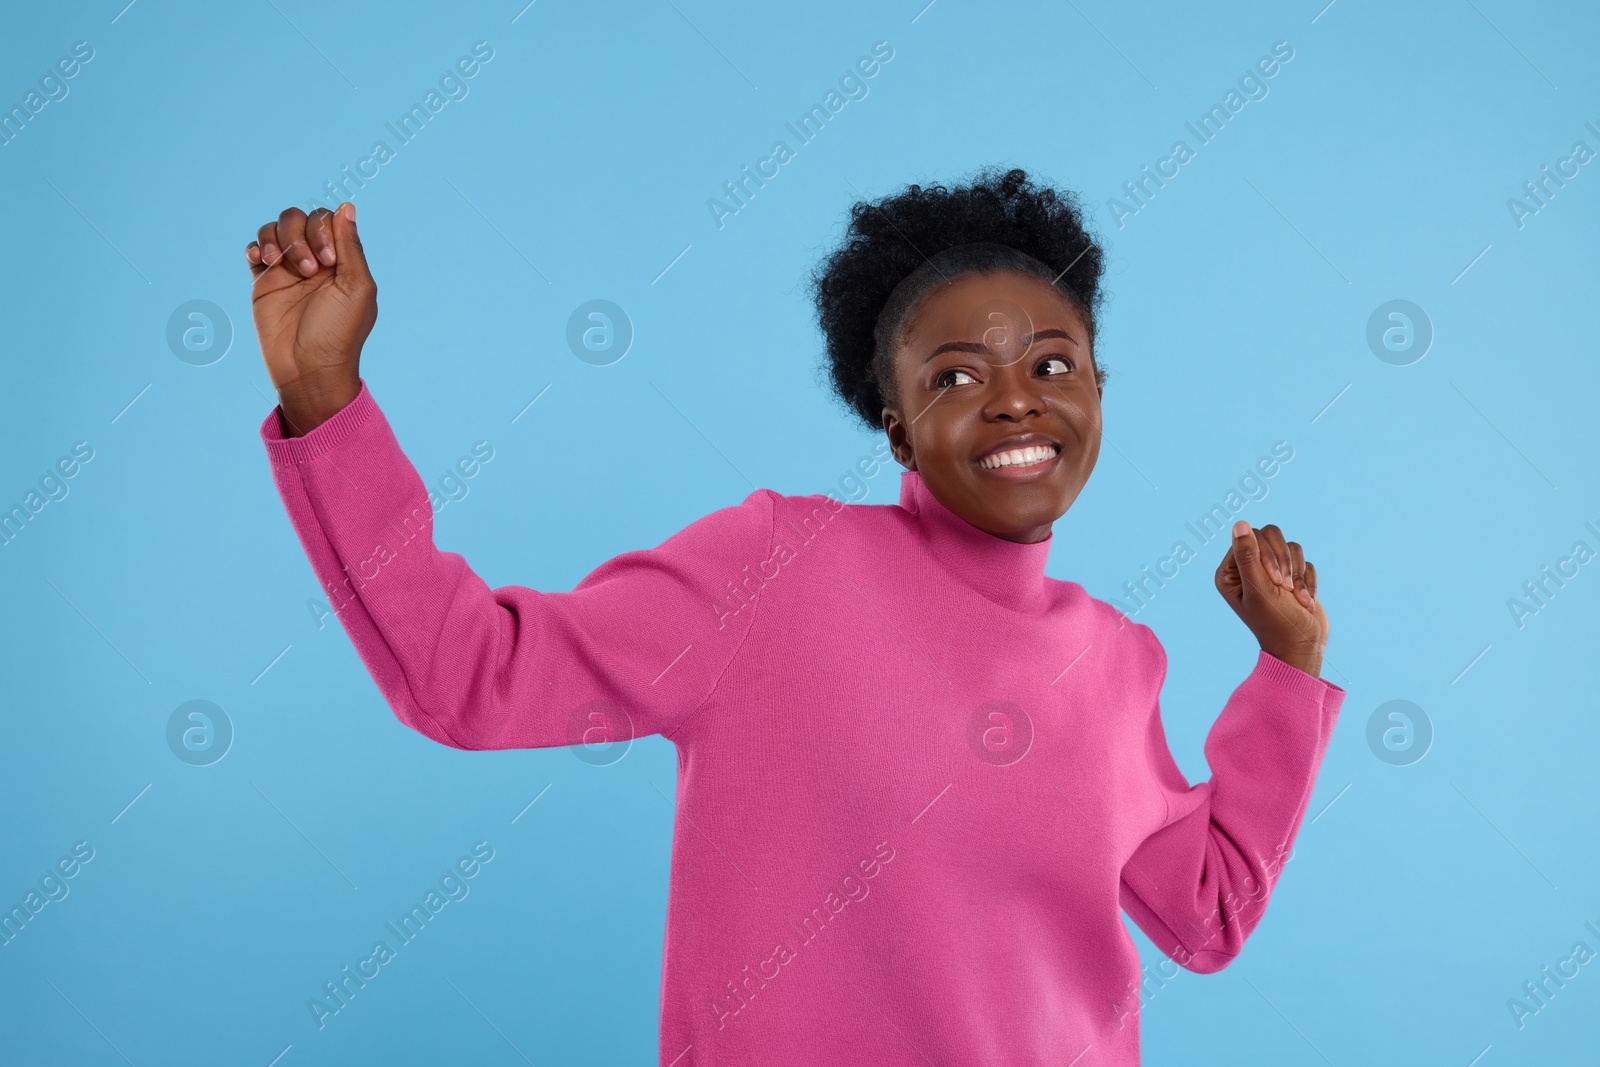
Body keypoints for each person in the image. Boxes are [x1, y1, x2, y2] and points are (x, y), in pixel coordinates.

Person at [245, 166, 1343, 1065]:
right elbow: (469, 673)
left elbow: (1202, 914)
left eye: (1052, 363)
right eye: (957, 377)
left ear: (1097, 392)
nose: (1016, 397)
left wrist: (1288, 668)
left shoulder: (1118, 659)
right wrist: (325, 399)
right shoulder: (775, 568)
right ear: (898, 429)